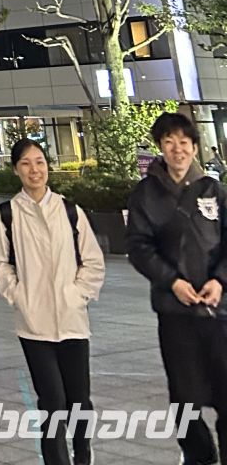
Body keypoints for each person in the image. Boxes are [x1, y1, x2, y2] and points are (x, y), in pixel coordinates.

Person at [0, 139, 105, 465]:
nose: (34, 170)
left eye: (39, 162)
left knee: (79, 400)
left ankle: (83, 455)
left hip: (72, 322)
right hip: (34, 325)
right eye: (26, 163)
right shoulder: (9, 214)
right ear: (16, 170)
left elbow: (93, 261)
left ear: (48, 166)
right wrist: (18, 296)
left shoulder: (70, 211)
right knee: (52, 400)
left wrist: (77, 294)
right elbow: (1, 264)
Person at [127, 110, 227, 465]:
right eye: (169, 142)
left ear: (195, 148)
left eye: (183, 142)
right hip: (175, 312)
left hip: (218, 312)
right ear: (160, 147)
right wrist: (173, 282)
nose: (177, 149)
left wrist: (220, 281)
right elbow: (138, 247)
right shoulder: (145, 194)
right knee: (184, 397)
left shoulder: (214, 191)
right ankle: (199, 456)